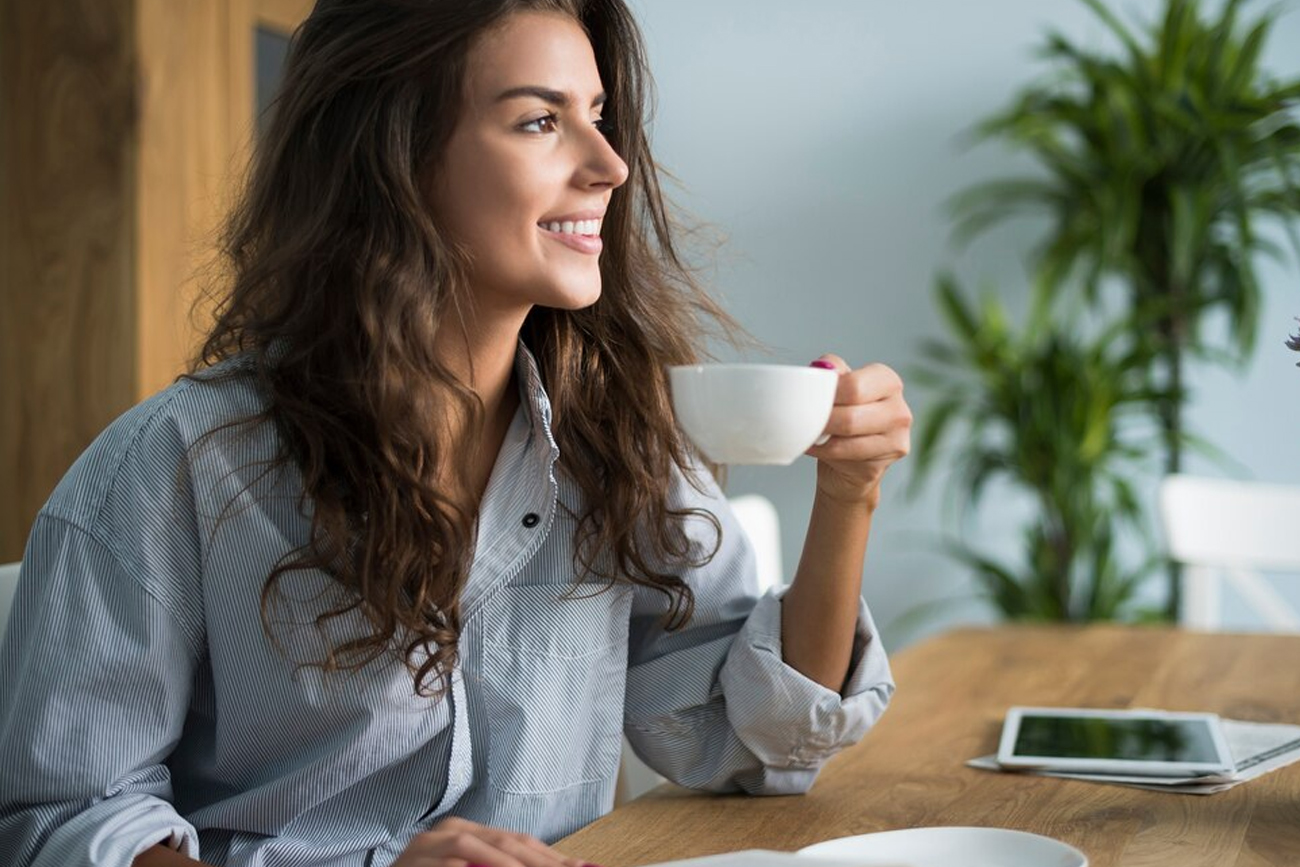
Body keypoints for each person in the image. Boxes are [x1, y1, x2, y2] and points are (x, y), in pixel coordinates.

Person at [0, 1, 912, 865]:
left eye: (597, 114)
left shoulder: (618, 439)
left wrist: (848, 493)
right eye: (538, 121)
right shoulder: (171, 469)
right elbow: (68, 825)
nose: (610, 164)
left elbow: (754, 735)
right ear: (397, 154)